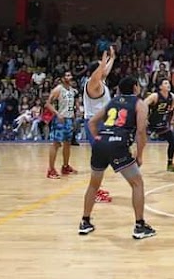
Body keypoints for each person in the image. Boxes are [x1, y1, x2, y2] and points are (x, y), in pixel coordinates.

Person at [78, 76, 156, 240]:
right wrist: (139, 155)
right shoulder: (139, 104)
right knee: (137, 183)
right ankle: (140, 225)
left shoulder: (112, 102)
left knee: (94, 185)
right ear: (135, 88)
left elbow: (92, 122)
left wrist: (98, 138)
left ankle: (85, 222)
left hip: (101, 144)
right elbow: (141, 131)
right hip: (118, 145)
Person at [83, 48, 115, 203]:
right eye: (100, 67)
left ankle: (96, 188)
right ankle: (94, 191)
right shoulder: (91, 84)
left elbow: (105, 72)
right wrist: (103, 63)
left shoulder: (100, 82)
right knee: (99, 159)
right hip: (94, 124)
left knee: (103, 158)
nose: (103, 69)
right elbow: (100, 72)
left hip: (103, 123)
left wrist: (112, 58)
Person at [144, 78, 174, 172]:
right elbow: (143, 104)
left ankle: (170, 164)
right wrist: (145, 118)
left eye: (168, 83)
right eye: (165, 83)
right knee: (140, 143)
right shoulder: (155, 96)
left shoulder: (171, 96)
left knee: (173, 141)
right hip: (150, 123)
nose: (168, 84)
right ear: (160, 87)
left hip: (161, 124)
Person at [45, 71, 77, 179]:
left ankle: (65, 166)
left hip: (69, 119)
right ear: (63, 78)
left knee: (67, 143)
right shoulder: (58, 89)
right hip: (60, 120)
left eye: (70, 75)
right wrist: (57, 114)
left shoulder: (72, 90)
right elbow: (48, 104)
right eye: (67, 75)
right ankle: (51, 169)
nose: (70, 77)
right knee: (56, 144)